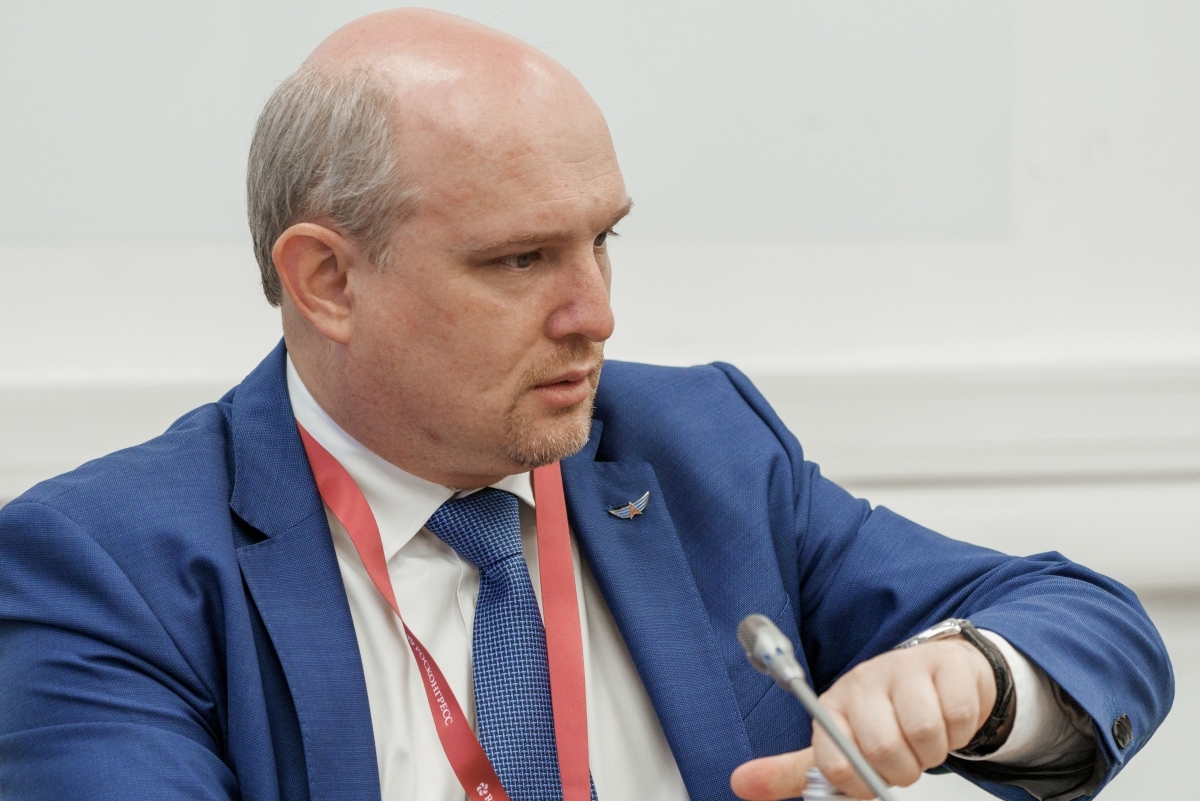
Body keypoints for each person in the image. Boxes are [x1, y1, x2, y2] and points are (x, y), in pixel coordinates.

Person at [0, 8, 1171, 801]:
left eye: (603, 240)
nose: (596, 314)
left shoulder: (697, 451)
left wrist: (975, 678)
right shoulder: (105, 568)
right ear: (328, 282)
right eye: (520, 261)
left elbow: (1088, 624)